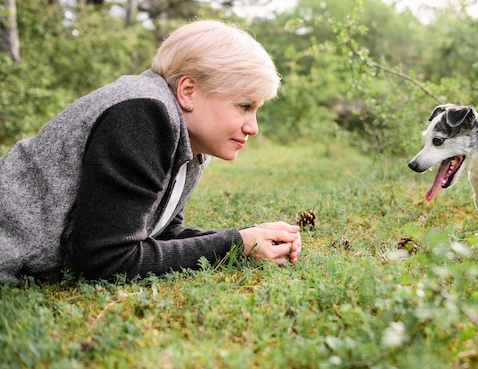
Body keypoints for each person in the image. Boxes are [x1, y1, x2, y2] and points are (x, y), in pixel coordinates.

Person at [0, 19, 302, 283]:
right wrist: (234, 244)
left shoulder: (190, 138)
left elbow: (157, 233)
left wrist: (248, 237)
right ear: (188, 91)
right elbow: (108, 259)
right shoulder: (144, 114)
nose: (253, 127)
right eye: (244, 106)